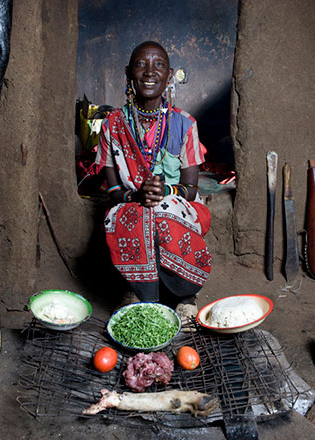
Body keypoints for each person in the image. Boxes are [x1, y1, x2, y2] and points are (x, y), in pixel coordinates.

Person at [94, 41, 211, 320]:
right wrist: (136, 196)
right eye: (141, 64)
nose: (149, 72)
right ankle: (137, 291)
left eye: (158, 65)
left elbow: (191, 190)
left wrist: (164, 191)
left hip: (176, 205)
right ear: (128, 73)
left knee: (162, 211)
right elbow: (112, 190)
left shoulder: (185, 123)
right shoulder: (113, 124)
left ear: (169, 76)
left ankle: (185, 294)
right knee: (128, 215)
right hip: (132, 204)